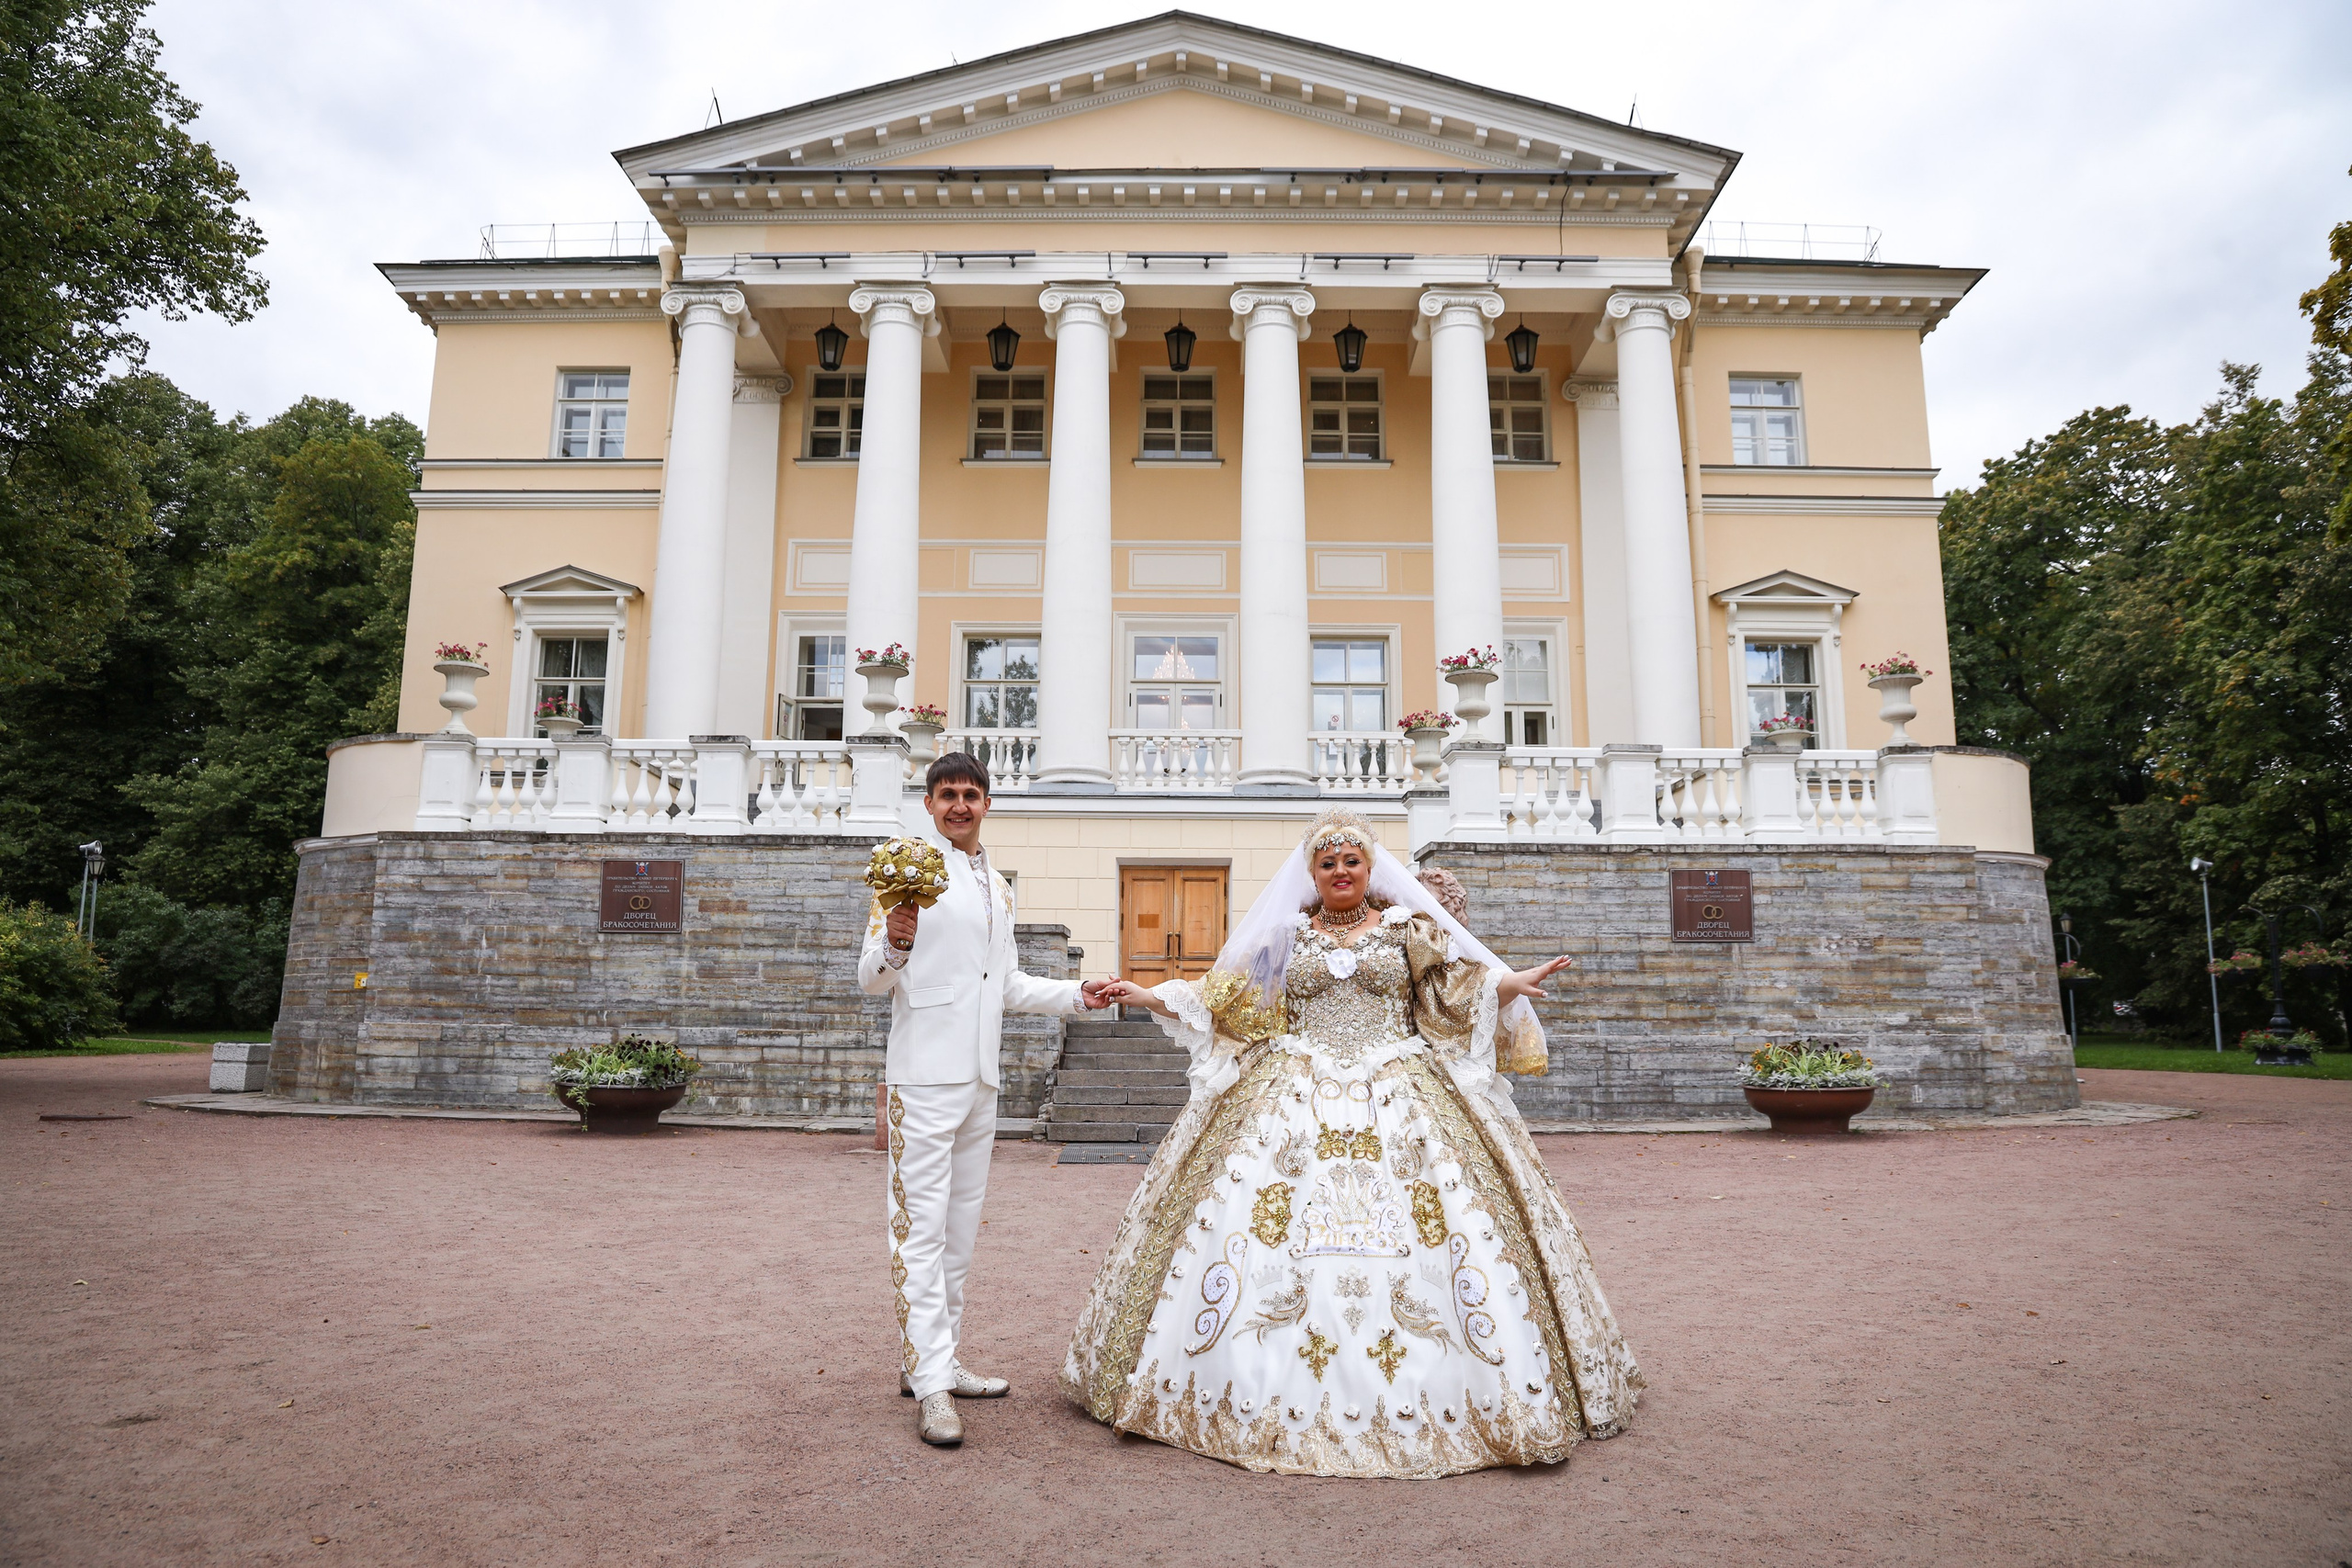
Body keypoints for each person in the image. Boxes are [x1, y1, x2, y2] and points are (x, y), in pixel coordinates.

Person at [1062, 807, 1643, 1477]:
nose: (1341, 871)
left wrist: (1511, 983)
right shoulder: (1286, 937)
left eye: (1352, 861)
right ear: (1313, 873)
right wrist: (1145, 992)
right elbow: (1221, 997)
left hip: (1400, 1089)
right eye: (1328, 862)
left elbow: (1456, 988)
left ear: (1370, 868)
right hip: (1293, 1089)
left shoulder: (1405, 929)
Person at [859, 751, 1114, 1448]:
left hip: (979, 1080)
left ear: (988, 803)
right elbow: (870, 978)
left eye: (972, 794)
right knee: (918, 1229)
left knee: (961, 1231)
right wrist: (895, 941)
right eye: (948, 795)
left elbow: (1005, 985)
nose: (960, 805)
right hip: (922, 1077)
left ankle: (939, 1360)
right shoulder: (904, 875)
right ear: (930, 804)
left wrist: (1075, 994)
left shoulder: (999, 886)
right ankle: (931, 1386)